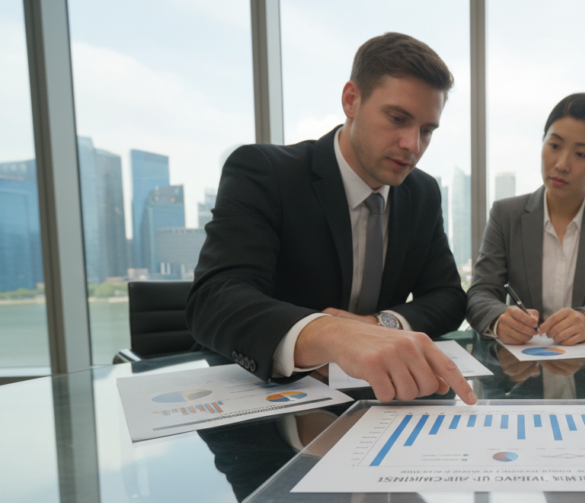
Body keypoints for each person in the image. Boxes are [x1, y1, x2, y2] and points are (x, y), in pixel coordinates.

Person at [187, 33, 476, 404]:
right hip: (273, 405)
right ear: (351, 100)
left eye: (426, 130)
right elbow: (214, 299)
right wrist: (332, 335)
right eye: (398, 118)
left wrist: (378, 326)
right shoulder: (265, 172)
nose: (412, 145)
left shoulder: (421, 192)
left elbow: (448, 296)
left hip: (384, 402)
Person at [466, 93, 585, 346]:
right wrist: (500, 319)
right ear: (543, 142)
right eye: (554, 146)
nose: (562, 164)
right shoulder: (506, 214)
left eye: (582, 155)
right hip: (524, 373)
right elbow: (480, 293)